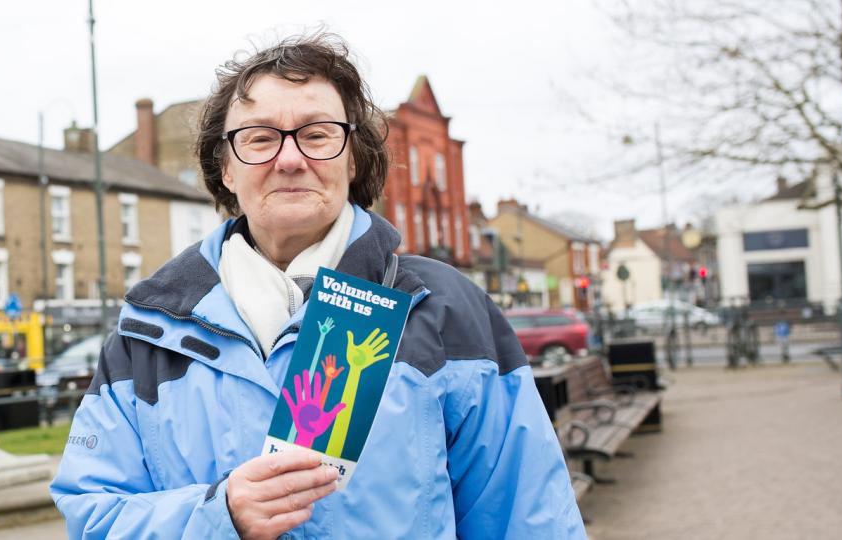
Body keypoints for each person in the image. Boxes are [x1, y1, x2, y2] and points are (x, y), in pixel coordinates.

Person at [50, 33, 585, 538]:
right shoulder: (147, 332)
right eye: (258, 139)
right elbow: (93, 514)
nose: (289, 159)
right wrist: (219, 516)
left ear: (353, 158)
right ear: (226, 170)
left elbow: (527, 515)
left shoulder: (443, 310)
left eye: (317, 135)